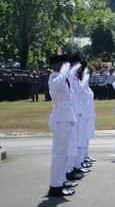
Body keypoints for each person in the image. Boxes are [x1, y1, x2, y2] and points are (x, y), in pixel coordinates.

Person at [47, 54, 77, 197]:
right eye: (62, 64)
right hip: (61, 119)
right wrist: (65, 70)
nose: (64, 66)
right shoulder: (54, 77)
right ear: (55, 65)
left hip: (65, 118)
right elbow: (58, 84)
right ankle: (55, 186)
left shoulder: (62, 78)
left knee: (62, 154)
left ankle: (59, 183)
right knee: (59, 154)